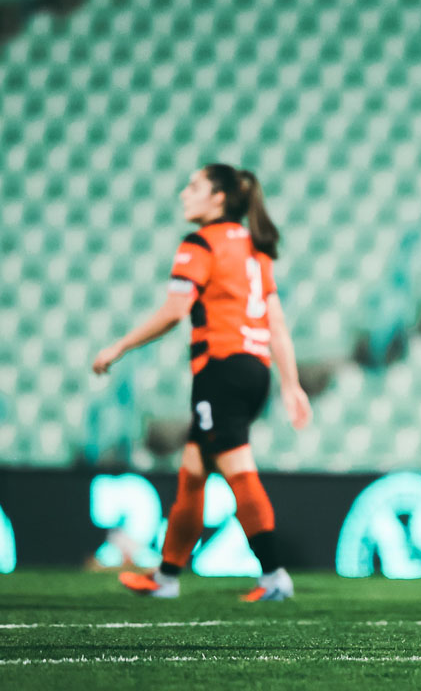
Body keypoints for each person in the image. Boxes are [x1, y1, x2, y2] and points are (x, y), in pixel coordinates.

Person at [92, 163, 311, 601]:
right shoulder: (254, 247)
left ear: (219, 198)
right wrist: (290, 384)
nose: (183, 193)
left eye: (194, 186)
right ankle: (167, 576)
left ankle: (273, 577)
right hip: (252, 370)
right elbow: (277, 323)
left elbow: (175, 312)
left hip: (221, 370)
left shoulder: (199, 243)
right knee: (193, 473)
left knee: (237, 469)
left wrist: (119, 347)